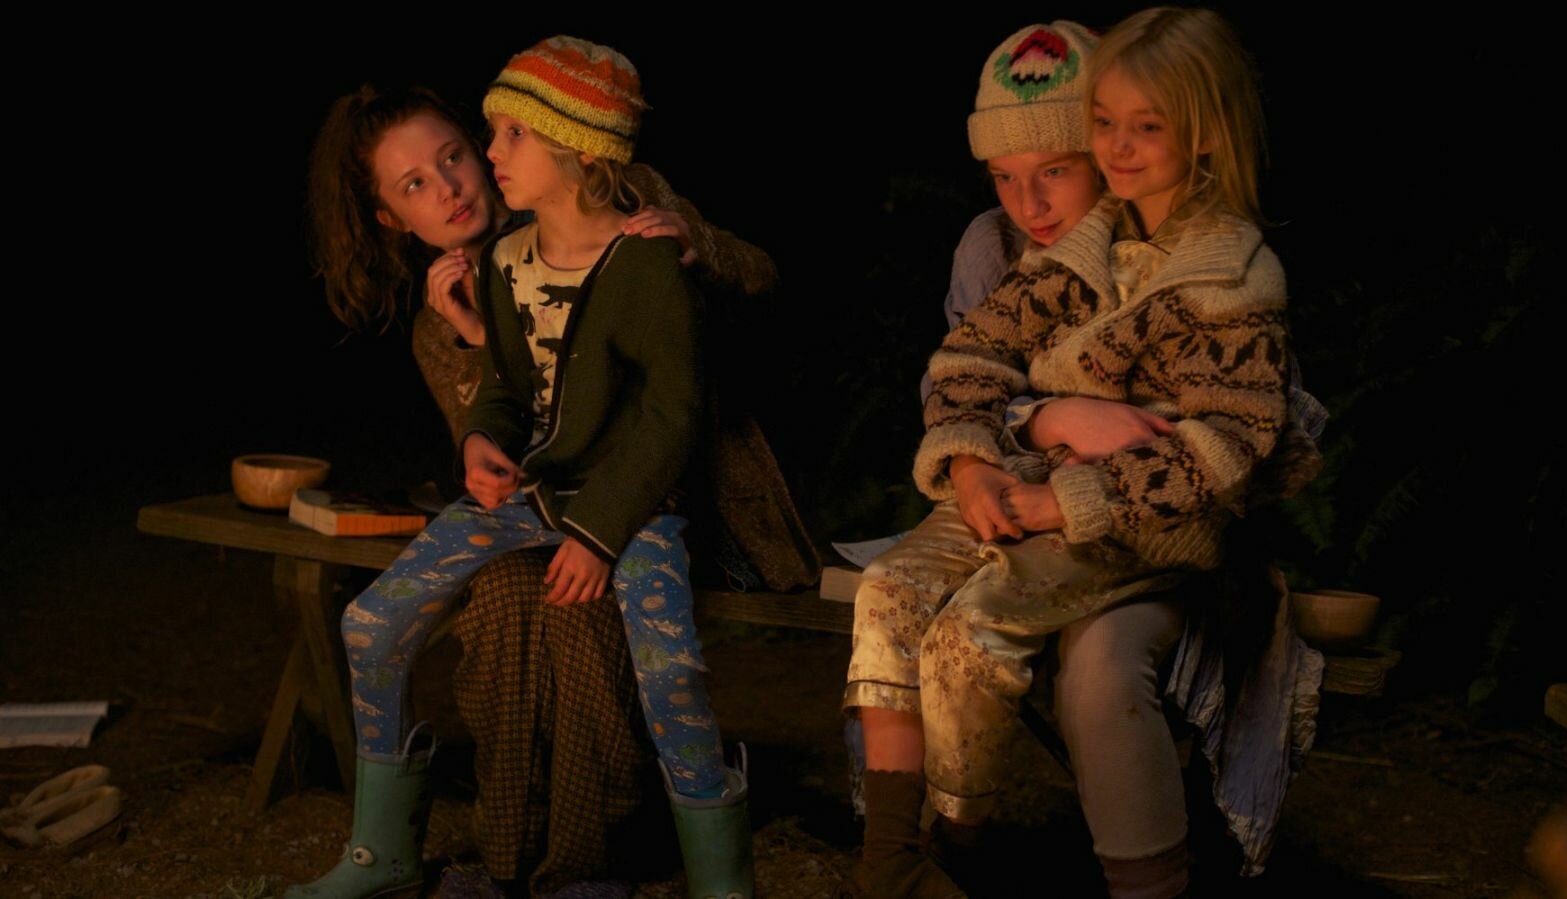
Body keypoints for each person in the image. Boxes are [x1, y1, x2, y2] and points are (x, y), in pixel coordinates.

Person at [847, 11, 1320, 898]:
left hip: (1144, 529)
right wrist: (972, 462)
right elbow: (968, 356)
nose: (1120, 147)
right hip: (1029, 487)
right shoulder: (1083, 247)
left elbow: (1226, 445)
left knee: (968, 635)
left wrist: (1058, 502)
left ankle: (958, 845)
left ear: (1205, 134)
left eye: (1146, 127)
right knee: (886, 590)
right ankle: (892, 862)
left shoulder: (1231, 272)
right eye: (1105, 124)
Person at [291, 38, 751, 899]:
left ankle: (673, 872)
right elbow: (507, 397)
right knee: (414, 618)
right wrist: (478, 425)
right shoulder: (488, 274)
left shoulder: (639, 235)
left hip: (635, 501)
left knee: (639, 654)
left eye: (469, 150)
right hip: (534, 499)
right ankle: (422, 852)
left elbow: (671, 408)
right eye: (414, 185)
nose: (465, 175)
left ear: (573, 148)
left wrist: (599, 529)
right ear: (391, 218)